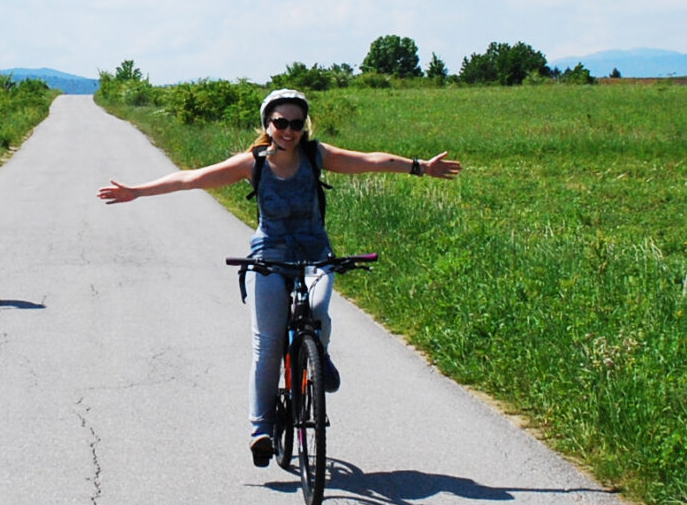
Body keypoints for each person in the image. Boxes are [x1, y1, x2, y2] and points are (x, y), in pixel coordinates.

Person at [97, 88, 461, 466]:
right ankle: (262, 431)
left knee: (318, 311)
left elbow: (370, 160)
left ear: (305, 127)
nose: (289, 131)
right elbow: (193, 179)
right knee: (268, 344)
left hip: (314, 251)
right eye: (281, 123)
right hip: (269, 256)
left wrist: (420, 167)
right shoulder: (252, 163)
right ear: (267, 125)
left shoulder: (316, 155)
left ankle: (319, 355)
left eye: (296, 124)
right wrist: (136, 192)